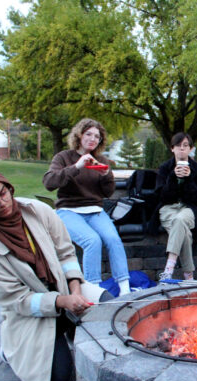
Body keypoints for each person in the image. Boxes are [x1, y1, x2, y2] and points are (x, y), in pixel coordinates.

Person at [0, 167, 112, 381]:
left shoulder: (38, 210)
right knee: (56, 378)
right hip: (33, 314)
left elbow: (66, 252)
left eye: (3, 193)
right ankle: (10, 349)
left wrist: (76, 290)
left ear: (9, 188)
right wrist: (62, 302)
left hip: (65, 287)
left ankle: (70, 331)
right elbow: (18, 300)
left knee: (109, 306)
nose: (2, 203)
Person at [43, 118, 131, 296]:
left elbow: (107, 192)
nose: (92, 139)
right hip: (68, 210)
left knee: (113, 239)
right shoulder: (64, 157)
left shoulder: (100, 160)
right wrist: (77, 166)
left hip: (95, 211)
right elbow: (49, 182)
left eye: (97, 136)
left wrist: (107, 175)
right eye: (88, 134)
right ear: (79, 135)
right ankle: (93, 289)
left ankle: (125, 289)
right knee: (92, 241)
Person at [148, 132, 197, 281]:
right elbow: (162, 197)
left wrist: (188, 179)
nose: (182, 149)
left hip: (190, 209)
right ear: (172, 149)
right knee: (185, 234)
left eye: (185, 146)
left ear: (190, 149)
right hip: (168, 208)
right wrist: (172, 178)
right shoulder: (165, 168)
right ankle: (189, 276)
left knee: (181, 219)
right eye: (178, 146)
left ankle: (168, 270)